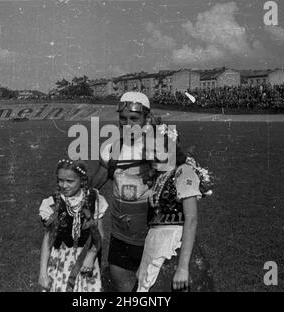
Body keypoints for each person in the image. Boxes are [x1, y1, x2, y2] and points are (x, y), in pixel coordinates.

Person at [90, 91, 158, 291]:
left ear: (147, 118)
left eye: (134, 119)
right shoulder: (111, 148)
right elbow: (96, 183)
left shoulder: (161, 147)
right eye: (123, 119)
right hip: (121, 235)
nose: (127, 124)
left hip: (152, 235)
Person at [136, 126, 214, 292]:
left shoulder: (183, 173)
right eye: (148, 150)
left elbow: (191, 219)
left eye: (156, 150)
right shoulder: (159, 176)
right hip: (154, 245)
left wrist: (183, 268)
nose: (151, 155)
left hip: (174, 246)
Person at [38, 158, 108, 292]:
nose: (64, 185)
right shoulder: (53, 203)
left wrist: (91, 256)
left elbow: (100, 234)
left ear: (82, 180)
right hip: (60, 261)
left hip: (86, 260)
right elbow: (48, 239)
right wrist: (43, 273)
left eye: (70, 181)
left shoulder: (94, 200)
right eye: (60, 180)